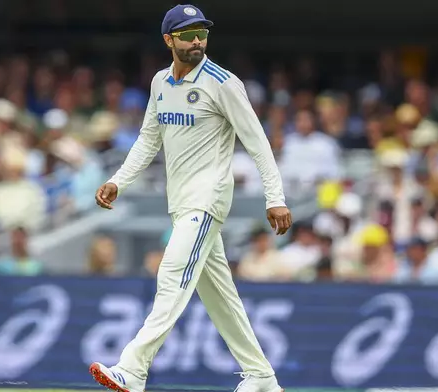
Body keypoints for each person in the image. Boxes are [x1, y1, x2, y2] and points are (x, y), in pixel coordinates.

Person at [90, 5, 291, 392]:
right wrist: (119, 180)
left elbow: (258, 143)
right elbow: (149, 139)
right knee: (219, 296)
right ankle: (262, 377)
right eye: (187, 34)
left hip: (207, 198)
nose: (197, 40)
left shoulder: (223, 83)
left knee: (171, 275)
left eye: (202, 32)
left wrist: (274, 198)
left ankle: (133, 369)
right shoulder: (160, 83)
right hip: (180, 202)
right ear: (169, 40)